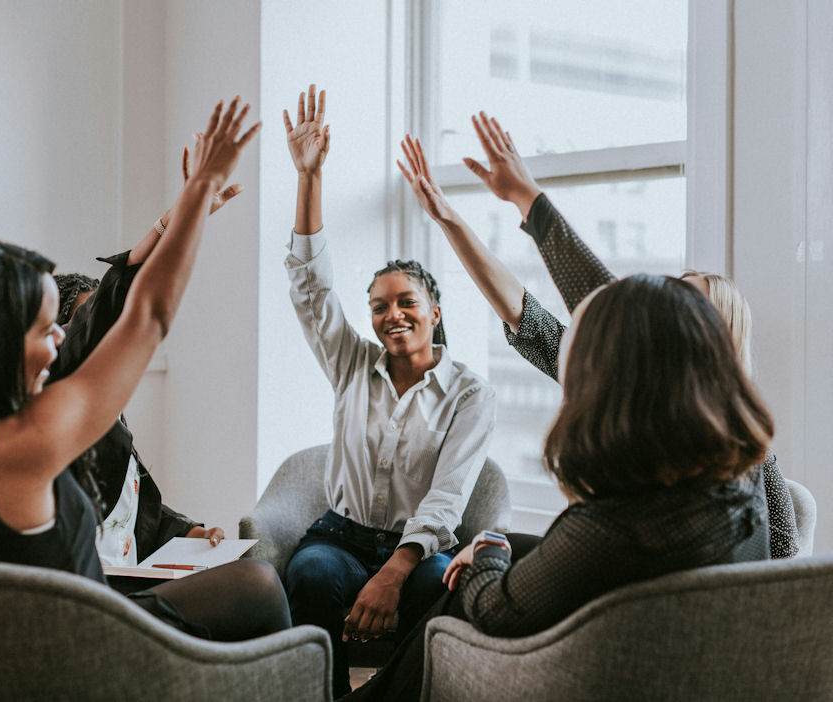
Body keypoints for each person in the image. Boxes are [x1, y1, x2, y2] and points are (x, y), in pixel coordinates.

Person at [0, 97, 289, 641]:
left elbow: (107, 317)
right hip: (81, 655)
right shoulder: (18, 447)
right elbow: (146, 316)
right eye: (44, 329)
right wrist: (199, 191)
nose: (60, 340)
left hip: (11, 647)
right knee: (258, 585)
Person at [344, 272, 774, 701]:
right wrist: (529, 204)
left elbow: (497, 610)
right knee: (506, 540)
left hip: (601, 672)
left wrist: (485, 554)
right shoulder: (740, 476)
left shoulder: (610, 523)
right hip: (697, 664)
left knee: (466, 583)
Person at [396, 118, 799, 559]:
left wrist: (528, 199)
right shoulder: (626, 380)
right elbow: (526, 311)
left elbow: (778, 574)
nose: (659, 316)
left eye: (682, 309)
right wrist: (453, 218)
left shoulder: (753, 465)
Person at [282, 84, 498, 697]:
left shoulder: (469, 394)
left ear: (435, 311)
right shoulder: (351, 362)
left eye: (408, 303)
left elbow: (450, 496)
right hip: (342, 537)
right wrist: (309, 177)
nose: (391, 315)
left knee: (439, 589)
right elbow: (309, 289)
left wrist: (397, 569)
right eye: (379, 306)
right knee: (314, 573)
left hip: (420, 548)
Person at [51, 144, 238, 574]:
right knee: (257, 587)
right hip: (96, 587)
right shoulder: (57, 402)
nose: (120, 337)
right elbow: (119, 302)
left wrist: (189, 531)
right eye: (99, 326)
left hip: (129, 573)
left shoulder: (108, 408)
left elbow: (133, 506)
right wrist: (173, 223)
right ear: (66, 338)